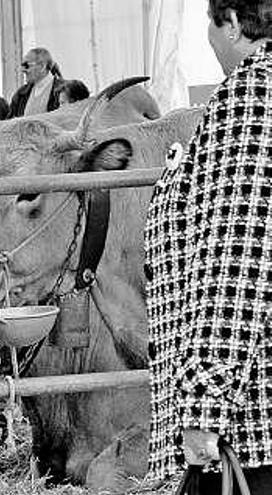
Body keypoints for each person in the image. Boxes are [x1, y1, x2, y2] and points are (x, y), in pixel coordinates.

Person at [145, 1, 272, 492]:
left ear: (234, 24)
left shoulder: (250, 104)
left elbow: (235, 267)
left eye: (211, 26)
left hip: (253, 425)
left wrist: (204, 406)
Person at [9, 47, 65, 117]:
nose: (23, 70)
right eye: (22, 66)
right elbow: (9, 123)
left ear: (42, 66)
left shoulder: (64, 90)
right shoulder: (20, 94)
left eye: (26, 65)